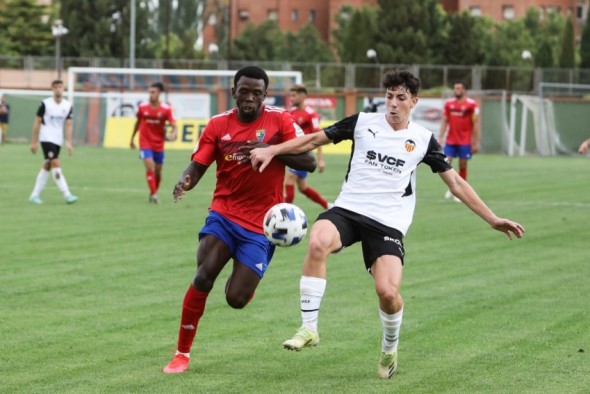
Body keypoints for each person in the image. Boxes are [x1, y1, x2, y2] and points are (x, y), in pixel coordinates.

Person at [247, 69, 525, 380]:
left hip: (388, 223)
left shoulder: (422, 140)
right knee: (317, 241)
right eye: (389, 96)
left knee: (388, 293)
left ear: (414, 102)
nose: (393, 103)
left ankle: (389, 347)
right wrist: (272, 149)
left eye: (401, 98)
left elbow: (457, 183)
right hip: (348, 210)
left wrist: (493, 219)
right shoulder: (362, 122)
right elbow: (311, 140)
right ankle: (309, 328)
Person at [162, 66, 316, 374]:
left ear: (265, 95)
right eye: (243, 91)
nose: (249, 98)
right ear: (234, 92)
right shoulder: (218, 125)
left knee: (236, 299)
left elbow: (308, 161)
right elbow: (197, 164)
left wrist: (271, 150)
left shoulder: (281, 120)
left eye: (256, 93)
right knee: (204, 273)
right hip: (224, 212)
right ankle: (181, 353)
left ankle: (247, 277)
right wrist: (184, 181)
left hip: (261, 225)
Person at [29, 80, 78, 204]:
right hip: (46, 138)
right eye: (55, 87)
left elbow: (68, 124)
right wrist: (34, 142)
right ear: (52, 89)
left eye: (60, 87)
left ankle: (34, 195)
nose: (58, 89)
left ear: (63, 89)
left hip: (57, 139)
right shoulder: (45, 104)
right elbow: (37, 122)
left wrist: (69, 143)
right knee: (56, 163)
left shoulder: (67, 105)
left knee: (47, 165)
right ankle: (67, 194)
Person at [130, 82, 177, 204]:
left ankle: (152, 192)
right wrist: (132, 139)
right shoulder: (143, 107)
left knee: (158, 170)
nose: (151, 95)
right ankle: (155, 194)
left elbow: (174, 125)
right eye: (149, 92)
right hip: (145, 142)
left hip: (159, 144)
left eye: (153, 92)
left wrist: (174, 133)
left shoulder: (166, 109)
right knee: (150, 165)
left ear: (159, 93)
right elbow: (137, 123)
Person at [286, 84, 331, 209]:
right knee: (302, 187)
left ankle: (282, 214)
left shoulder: (311, 114)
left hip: (304, 154)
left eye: (294, 96)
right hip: (294, 152)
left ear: (302, 96)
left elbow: (319, 137)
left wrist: (320, 159)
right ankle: (327, 205)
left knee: (289, 180)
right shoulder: (291, 112)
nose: (291, 99)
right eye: (290, 96)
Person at [438, 81, 479, 202]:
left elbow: (475, 123)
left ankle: (462, 191)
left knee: (463, 164)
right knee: (446, 163)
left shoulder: (472, 105)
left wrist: (475, 142)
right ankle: (453, 188)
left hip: (465, 141)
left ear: (464, 90)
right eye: (455, 88)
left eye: (459, 88)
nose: (456, 90)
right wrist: (440, 137)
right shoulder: (449, 104)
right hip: (451, 140)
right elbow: (445, 120)